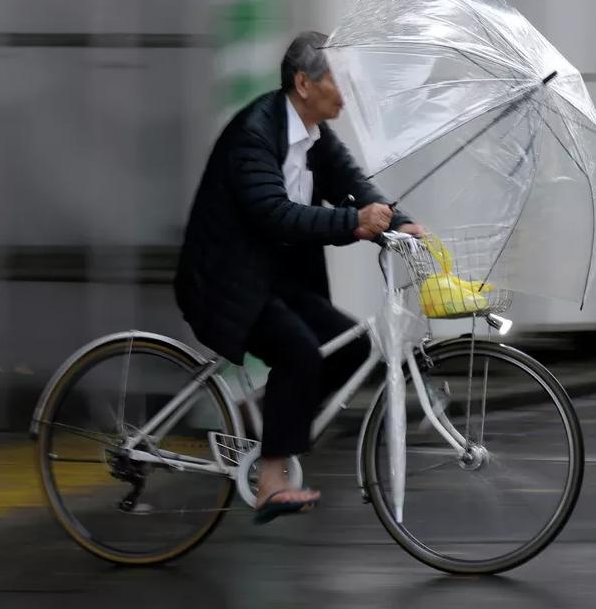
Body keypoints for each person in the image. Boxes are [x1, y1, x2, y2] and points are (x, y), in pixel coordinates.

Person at [175, 31, 422, 524]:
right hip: (226, 282)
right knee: (299, 354)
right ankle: (271, 481)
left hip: (274, 280)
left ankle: (274, 421)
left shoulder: (314, 136)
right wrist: (353, 223)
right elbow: (275, 214)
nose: (344, 91)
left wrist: (401, 224)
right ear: (304, 83)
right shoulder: (255, 133)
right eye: (336, 80)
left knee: (350, 349)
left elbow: (353, 186)